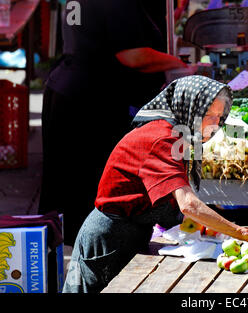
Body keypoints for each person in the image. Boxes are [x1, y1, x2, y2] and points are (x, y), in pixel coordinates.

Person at [62, 75, 248, 293]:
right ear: (189, 108)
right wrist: (246, 234)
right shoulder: (162, 139)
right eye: (208, 116)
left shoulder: (175, 134)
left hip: (130, 235)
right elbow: (188, 205)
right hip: (107, 242)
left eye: (219, 117)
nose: (215, 125)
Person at [39, 0, 187, 246]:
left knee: (66, 186)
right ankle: (88, 255)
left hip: (66, 88)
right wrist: (180, 65)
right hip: (88, 98)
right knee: (87, 186)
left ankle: (64, 250)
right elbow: (133, 55)